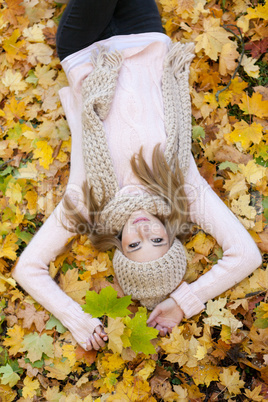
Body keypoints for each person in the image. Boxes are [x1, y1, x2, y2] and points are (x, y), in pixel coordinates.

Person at [13, 0, 262, 352]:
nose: (144, 231)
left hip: (85, 51)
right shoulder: (184, 193)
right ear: (170, 236)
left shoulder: (87, 203)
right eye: (157, 241)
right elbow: (246, 255)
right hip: (143, 34)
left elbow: (29, 268)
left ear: (118, 245)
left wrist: (77, 318)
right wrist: (183, 302)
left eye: (134, 245)